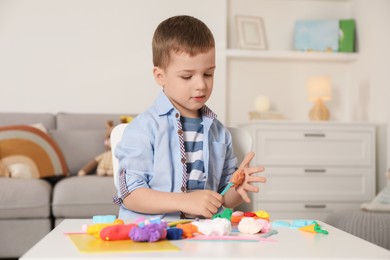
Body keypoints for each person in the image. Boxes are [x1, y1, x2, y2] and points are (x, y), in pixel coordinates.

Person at [113, 15, 265, 220]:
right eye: (187, 76)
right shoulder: (143, 128)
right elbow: (130, 194)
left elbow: (222, 198)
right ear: (160, 76)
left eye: (208, 74)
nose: (201, 85)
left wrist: (237, 188)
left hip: (203, 237)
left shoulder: (219, 133)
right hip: (153, 238)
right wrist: (184, 200)